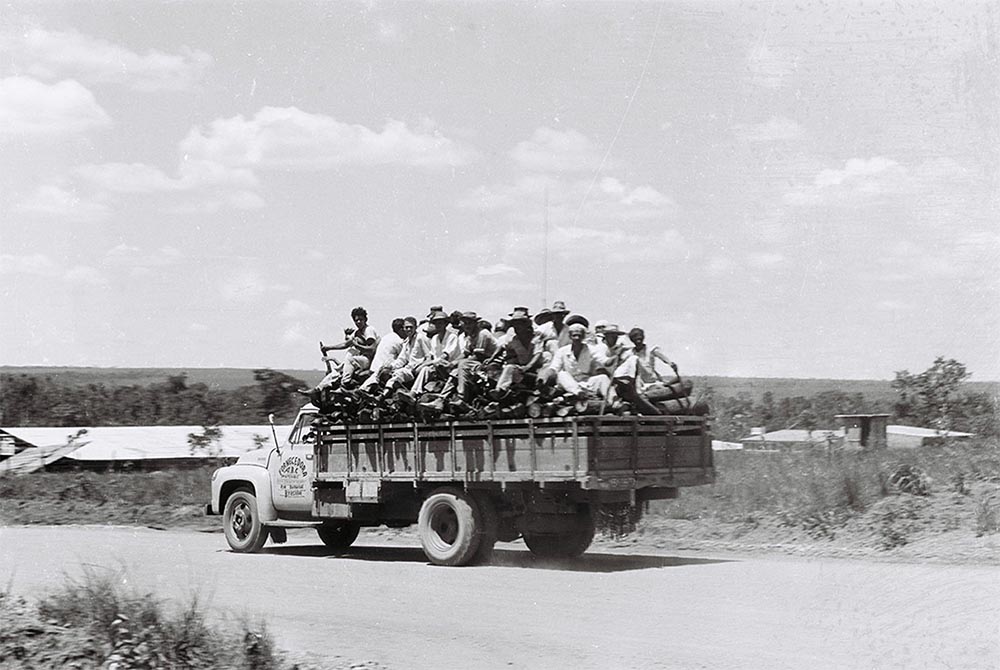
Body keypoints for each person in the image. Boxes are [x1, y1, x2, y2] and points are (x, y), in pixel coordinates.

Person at [546, 322, 610, 400]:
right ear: (570, 336)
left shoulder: (591, 349)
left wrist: (613, 358)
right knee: (562, 374)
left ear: (583, 337)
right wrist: (546, 376)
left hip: (585, 382)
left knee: (603, 378)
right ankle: (579, 393)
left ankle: (614, 402)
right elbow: (554, 367)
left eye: (579, 336)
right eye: (574, 335)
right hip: (569, 383)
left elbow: (604, 361)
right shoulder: (562, 351)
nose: (577, 338)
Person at [489, 306, 544, 394]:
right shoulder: (514, 339)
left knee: (509, 368)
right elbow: (504, 347)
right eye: (515, 324)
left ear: (526, 324)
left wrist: (528, 367)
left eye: (519, 324)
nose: (517, 327)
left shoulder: (536, 337)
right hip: (521, 369)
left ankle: (500, 390)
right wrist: (491, 358)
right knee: (502, 368)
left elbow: (538, 353)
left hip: (536, 370)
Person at [409, 308, 460, 396]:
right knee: (425, 369)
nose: (438, 325)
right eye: (436, 323)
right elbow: (431, 356)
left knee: (430, 366)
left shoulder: (452, 336)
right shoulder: (435, 338)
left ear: (445, 324)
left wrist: (427, 364)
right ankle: (414, 392)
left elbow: (445, 356)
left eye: (440, 323)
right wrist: (422, 365)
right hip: (437, 367)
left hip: (449, 366)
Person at [358, 318, 406, 391]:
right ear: (401, 329)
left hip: (374, 367)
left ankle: (362, 390)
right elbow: (403, 358)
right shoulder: (399, 341)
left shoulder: (386, 337)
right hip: (383, 370)